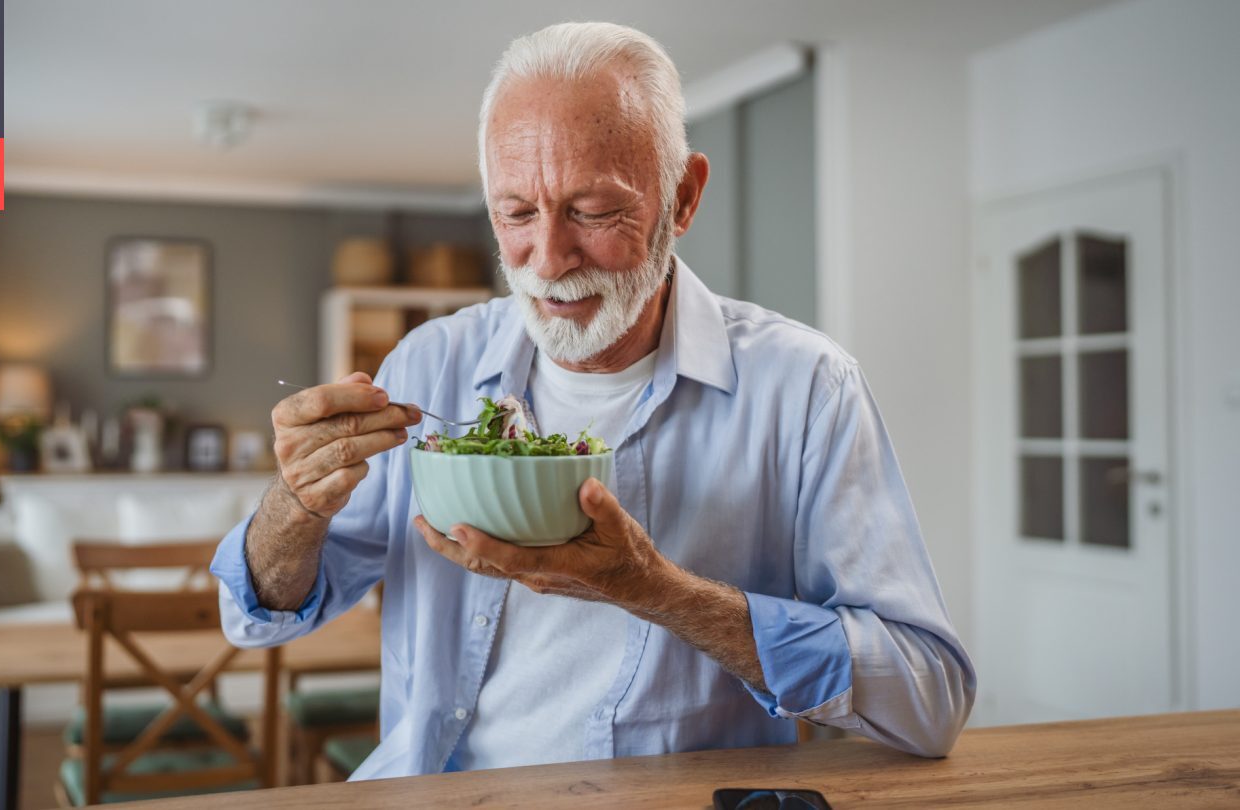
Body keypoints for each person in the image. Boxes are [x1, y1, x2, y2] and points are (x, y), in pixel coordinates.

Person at [212, 21, 975, 779]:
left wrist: (655, 591)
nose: (548, 260)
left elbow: (930, 697)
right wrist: (297, 503)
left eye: (594, 211)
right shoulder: (429, 364)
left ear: (683, 198)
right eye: (516, 214)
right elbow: (261, 617)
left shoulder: (805, 389)